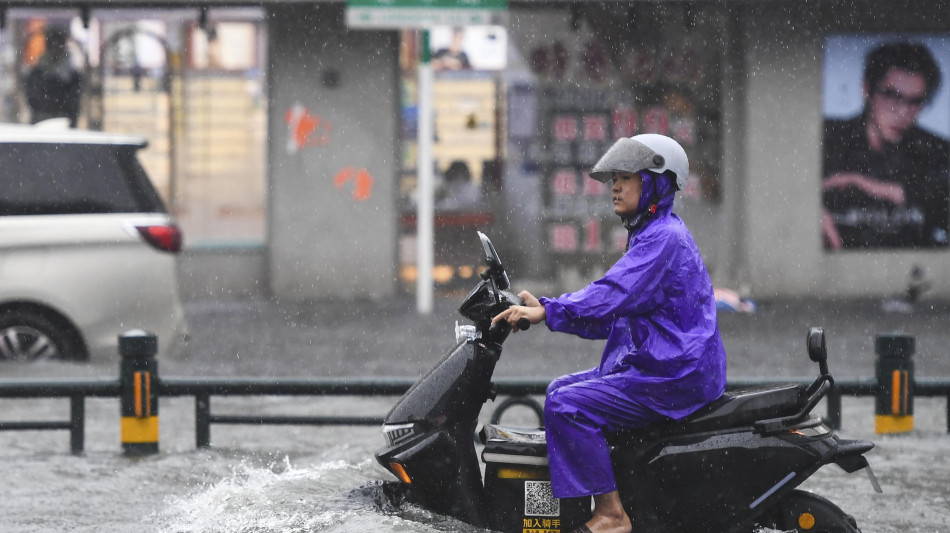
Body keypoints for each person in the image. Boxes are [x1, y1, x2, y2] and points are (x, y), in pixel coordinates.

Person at [492, 134, 726, 533]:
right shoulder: (653, 233)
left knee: (569, 405)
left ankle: (612, 514)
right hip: (665, 366)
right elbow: (610, 315)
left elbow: (610, 294)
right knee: (557, 391)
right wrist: (547, 312)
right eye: (614, 177)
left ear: (657, 183)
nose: (615, 186)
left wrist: (550, 310)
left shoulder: (663, 239)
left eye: (627, 177)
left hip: (673, 374)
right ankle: (601, 496)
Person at [823, 41, 950, 250]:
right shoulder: (827, 137)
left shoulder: (939, 151)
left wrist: (884, 189)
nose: (903, 113)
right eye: (892, 96)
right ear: (867, 90)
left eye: (915, 101)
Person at [24, 26, 82, 127]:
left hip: (65, 127)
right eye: (52, 44)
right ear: (47, 47)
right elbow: (33, 101)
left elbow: (74, 105)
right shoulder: (36, 74)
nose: (55, 49)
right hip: (40, 126)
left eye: (58, 44)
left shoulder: (73, 76)